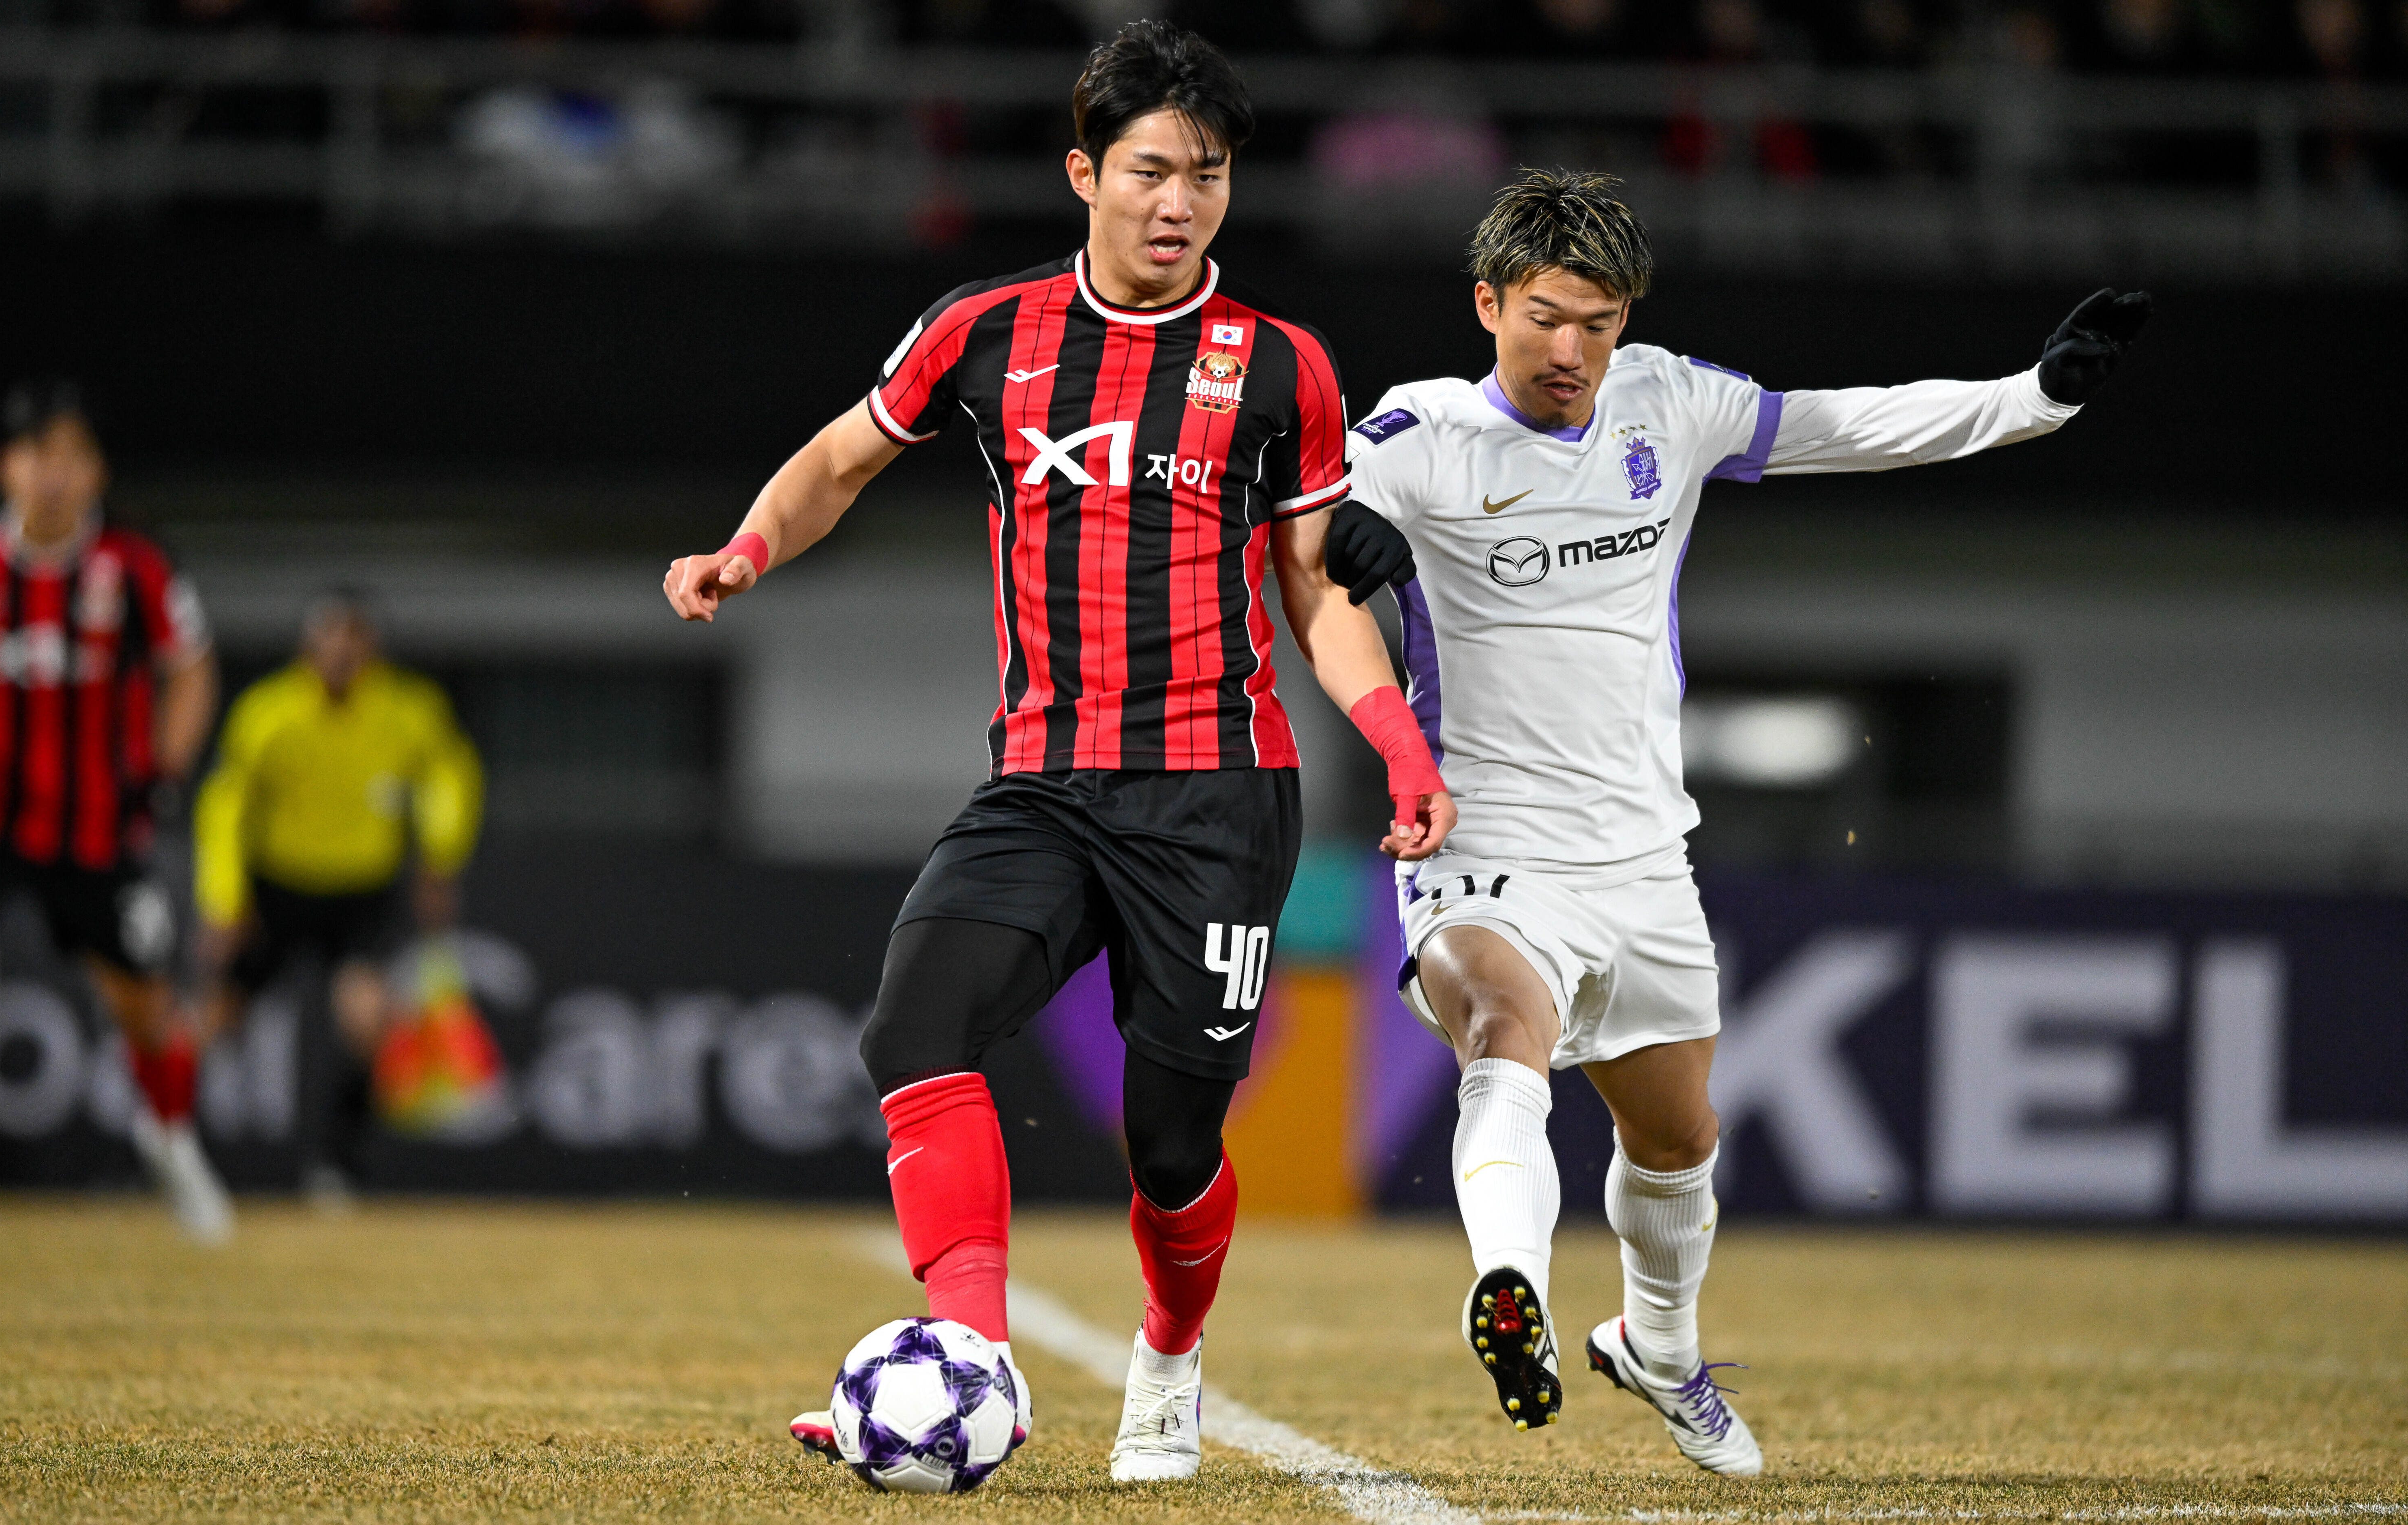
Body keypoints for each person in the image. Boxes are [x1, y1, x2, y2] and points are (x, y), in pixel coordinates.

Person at [663, 20, 1453, 1484]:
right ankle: (973, 1355)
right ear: (1084, 173)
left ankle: (1170, 1354)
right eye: (1152, 171)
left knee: (1172, 1147)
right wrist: (748, 548)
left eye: (1208, 176)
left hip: (1220, 799)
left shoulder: (1282, 366)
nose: (1180, 203)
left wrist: (1402, 746)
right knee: (915, 1030)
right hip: (1041, 782)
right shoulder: (983, 331)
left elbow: (1314, 593)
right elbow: (840, 458)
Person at [1325, 168, 2150, 1476]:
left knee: (1678, 1141)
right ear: (1488, 305)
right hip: (1480, 839)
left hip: (1643, 854)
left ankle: (1658, 1346)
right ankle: (1510, 1283)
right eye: (1545, 317)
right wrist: (1347, 530)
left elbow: (1848, 424)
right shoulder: (1421, 433)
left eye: (1599, 322)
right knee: (1501, 1029)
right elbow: (1305, 519)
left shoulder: (1670, 402)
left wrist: (2031, 399)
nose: (1571, 350)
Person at [0, 382, 229, 1241]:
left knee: (146, 1008)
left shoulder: (134, 568)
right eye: (37, 453)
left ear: (97, 474)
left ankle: (171, 1142)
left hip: (96, 829)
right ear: (5, 467)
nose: (54, 473)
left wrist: (166, 767)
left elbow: (190, 668)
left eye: (73, 456)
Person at [194, 589, 483, 1206]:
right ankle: (174, 1152)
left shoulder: (409, 711)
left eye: (355, 639)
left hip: (361, 891)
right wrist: (224, 899)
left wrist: (440, 856)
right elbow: (226, 808)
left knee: (368, 1019)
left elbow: (448, 778)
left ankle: (335, 1165)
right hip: (278, 889)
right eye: (330, 638)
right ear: (308, 647)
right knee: (216, 1019)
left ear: (373, 648)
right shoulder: (268, 713)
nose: (342, 652)